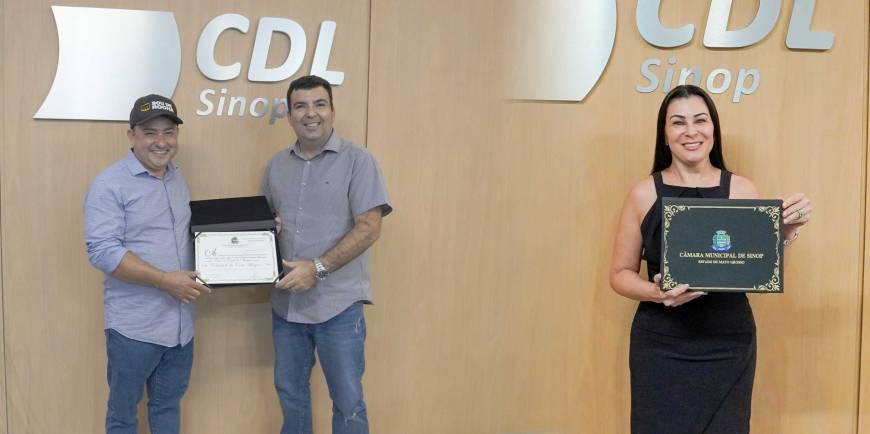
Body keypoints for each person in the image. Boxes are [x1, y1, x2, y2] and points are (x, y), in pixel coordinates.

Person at [609, 85, 811, 434]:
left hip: (729, 342)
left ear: (713, 129)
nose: (691, 131)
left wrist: (785, 233)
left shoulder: (743, 190)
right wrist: (657, 293)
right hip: (660, 345)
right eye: (678, 122)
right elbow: (619, 273)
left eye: (700, 120)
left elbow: (764, 272)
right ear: (664, 134)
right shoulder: (643, 194)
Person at [260, 75, 392, 434]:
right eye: (300, 106)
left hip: (338, 306)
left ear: (332, 111)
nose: (310, 113)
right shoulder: (276, 166)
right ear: (289, 115)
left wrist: (316, 268)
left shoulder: (359, 161)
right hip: (287, 307)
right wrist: (268, 228)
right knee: (291, 397)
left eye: (319, 104)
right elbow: (263, 226)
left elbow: (369, 227)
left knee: (348, 403)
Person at [84, 94, 211, 434]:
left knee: (167, 408)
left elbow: (188, 236)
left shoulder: (176, 177)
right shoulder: (110, 184)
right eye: (150, 132)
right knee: (123, 416)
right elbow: (103, 251)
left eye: (169, 132)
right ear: (132, 136)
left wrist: (259, 231)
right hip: (134, 329)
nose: (161, 141)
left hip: (180, 326)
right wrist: (164, 280)